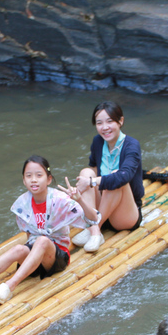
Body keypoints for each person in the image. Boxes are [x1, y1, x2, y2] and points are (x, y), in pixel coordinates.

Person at [0, 155, 100, 305]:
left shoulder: (60, 199)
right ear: (23, 180)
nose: (33, 179)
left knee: (42, 241)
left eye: (39, 175)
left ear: (48, 179)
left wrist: (79, 199)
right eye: (29, 176)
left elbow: (93, 219)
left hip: (57, 257)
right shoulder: (22, 203)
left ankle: (9, 286)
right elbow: (29, 236)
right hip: (35, 256)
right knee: (18, 249)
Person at [71, 100, 144, 252]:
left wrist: (92, 182)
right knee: (86, 172)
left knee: (115, 178)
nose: (104, 128)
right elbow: (93, 169)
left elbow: (124, 176)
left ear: (121, 121)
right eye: (99, 123)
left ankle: (95, 227)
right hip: (102, 206)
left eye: (110, 121)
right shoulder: (98, 141)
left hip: (124, 215)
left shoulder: (132, 145)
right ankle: (95, 230)